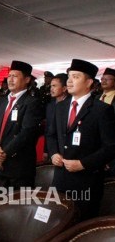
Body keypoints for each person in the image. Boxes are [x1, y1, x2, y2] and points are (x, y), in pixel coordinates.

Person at [46, 59, 115, 220]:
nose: (69, 81)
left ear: (89, 82)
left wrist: (83, 164)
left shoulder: (102, 110)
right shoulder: (60, 107)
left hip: (86, 181)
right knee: (57, 221)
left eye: (75, 77)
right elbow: (51, 134)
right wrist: (54, 153)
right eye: (69, 76)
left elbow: (111, 147)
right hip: (60, 179)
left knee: (80, 224)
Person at [0, 60, 42, 188]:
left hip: (19, 167)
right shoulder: (2, 101)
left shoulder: (32, 102)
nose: (10, 79)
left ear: (27, 79)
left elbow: (26, 133)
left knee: (18, 205)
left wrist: (3, 154)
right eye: (9, 76)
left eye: (15, 76)